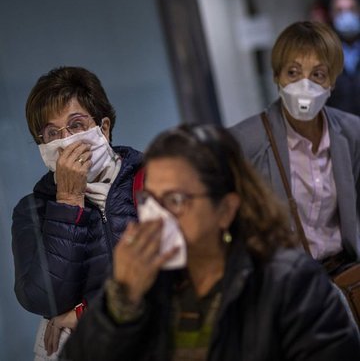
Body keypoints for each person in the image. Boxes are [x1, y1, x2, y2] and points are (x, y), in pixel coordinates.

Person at [60, 124, 360, 361]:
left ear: (225, 209)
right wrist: (120, 300)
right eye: (149, 199)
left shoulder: (289, 282)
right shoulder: (151, 284)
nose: (154, 214)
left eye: (175, 199)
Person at [11, 66, 143, 359]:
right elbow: (41, 298)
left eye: (76, 124)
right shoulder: (31, 210)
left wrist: (85, 312)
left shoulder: (153, 181)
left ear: (104, 129)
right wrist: (68, 202)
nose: (66, 139)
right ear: (43, 145)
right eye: (51, 132)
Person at [230, 22, 360, 285]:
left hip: (345, 276)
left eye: (318, 75)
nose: (305, 86)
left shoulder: (352, 132)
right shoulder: (245, 142)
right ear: (277, 76)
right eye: (293, 72)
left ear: (332, 81)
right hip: (288, 289)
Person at [326, 0, 360, 114]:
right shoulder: (324, 54)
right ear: (331, 15)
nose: (347, 16)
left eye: (351, 9)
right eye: (339, 11)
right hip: (341, 129)